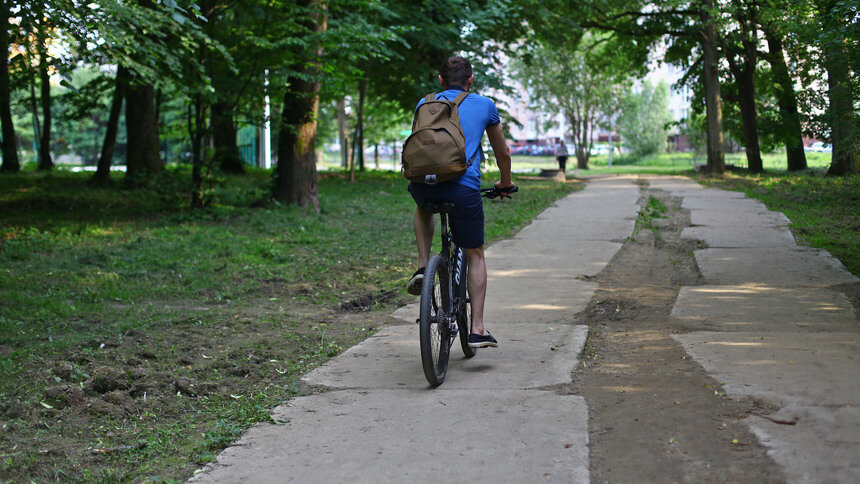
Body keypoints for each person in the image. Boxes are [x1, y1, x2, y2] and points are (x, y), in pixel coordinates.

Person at [405, 55, 515, 349]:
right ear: (470, 80)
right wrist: (504, 182)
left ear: (440, 80)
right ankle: (477, 329)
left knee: (422, 207)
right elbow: (503, 153)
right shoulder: (484, 104)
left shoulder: (423, 103)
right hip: (462, 189)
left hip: (423, 185)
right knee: (475, 254)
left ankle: (422, 266)